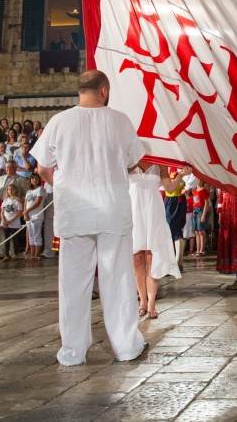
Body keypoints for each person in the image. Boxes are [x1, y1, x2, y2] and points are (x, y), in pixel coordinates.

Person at [30, 70, 147, 366]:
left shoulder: (59, 122)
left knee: (73, 285)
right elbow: (134, 162)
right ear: (104, 90)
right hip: (112, 211)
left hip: (75, 212)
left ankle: (73, 351)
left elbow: (42, 168)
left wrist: (65, 187)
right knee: (118, 280)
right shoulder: (120, 121)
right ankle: (126, 346)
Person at [129, 162, 181, 320]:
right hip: (133, 211)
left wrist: (181, 175)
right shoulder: (128, 160)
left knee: (152, 256)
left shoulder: (159, 164)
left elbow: (170, 188)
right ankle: (142, 302)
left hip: (153, 212)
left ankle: (151, 303)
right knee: (137, 258)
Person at [23, 173, 47, 259]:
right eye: (32, 179)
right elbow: (25, 203)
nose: (34, 180)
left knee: (37, 235)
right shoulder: (28, 191)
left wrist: (27, 211)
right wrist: (25, 213)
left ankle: (37, 254)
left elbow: (38, 202)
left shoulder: (40, 189)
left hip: (37, 215)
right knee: (31, 236)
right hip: (28, 216)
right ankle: (32, 254)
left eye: (36, 178)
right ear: (30, 180)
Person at [0, 184, 24, 260]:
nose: (10, 191)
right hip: (6, 223)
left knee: (15, 239)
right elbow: (2, 211)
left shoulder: (17, 200)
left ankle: (16, 254)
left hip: (14, 223)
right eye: (9, 189)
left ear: (15, 190)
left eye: (12, 189)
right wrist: (4, 220)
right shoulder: (6, 200)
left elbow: (19, 212)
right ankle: (6, 255)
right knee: (6, 239)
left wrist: (11, 221)